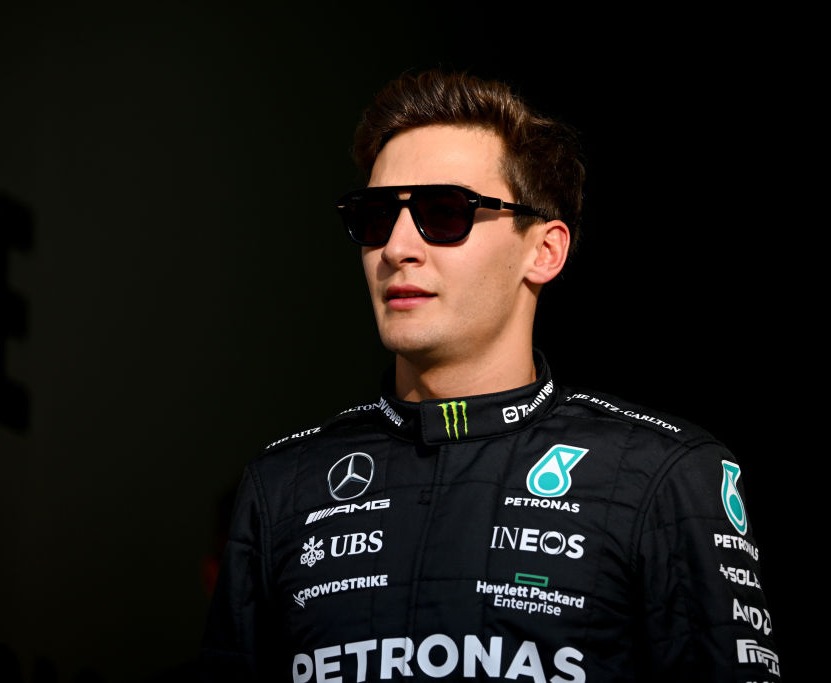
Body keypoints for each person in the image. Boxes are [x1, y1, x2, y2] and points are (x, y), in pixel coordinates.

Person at [200, 70, 780, 682]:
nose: (396, 248)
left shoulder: (661, 474)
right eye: (376, 217)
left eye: (443, 212)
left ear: (545, 251)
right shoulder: (280, 487)